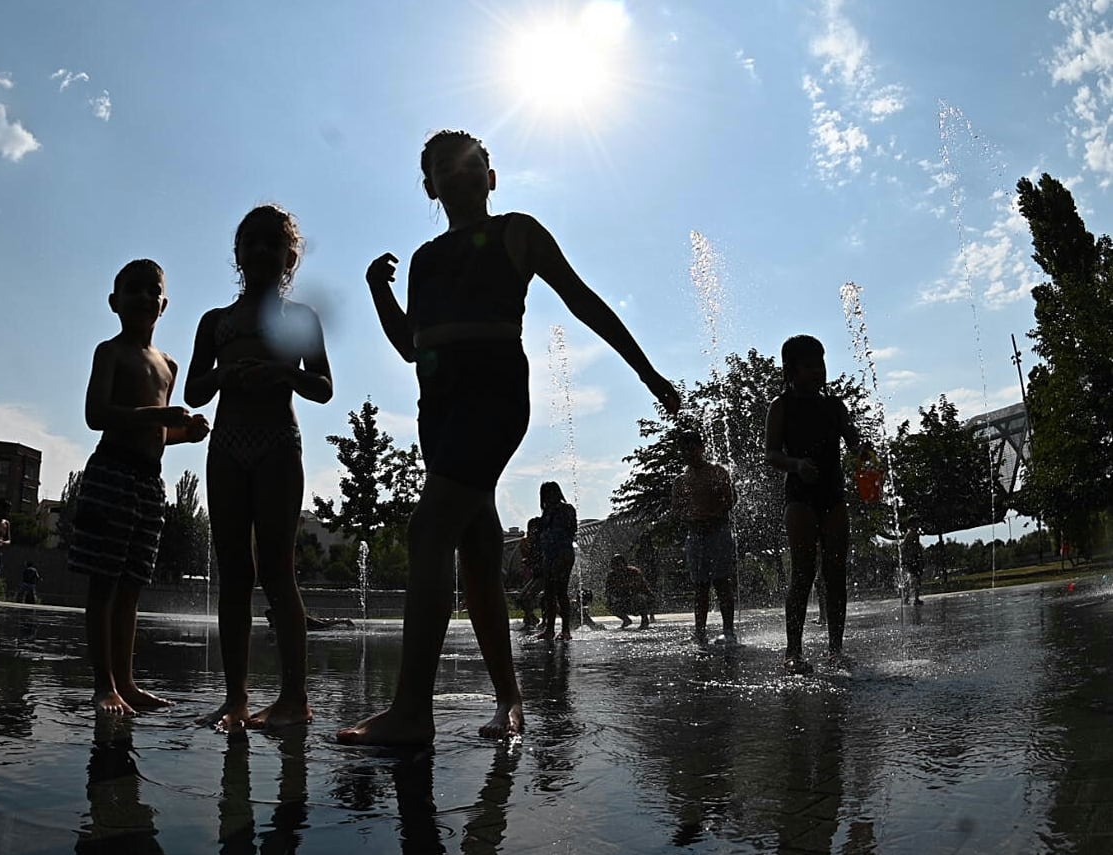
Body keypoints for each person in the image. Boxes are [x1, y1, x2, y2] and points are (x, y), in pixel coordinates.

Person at [339, 129, 681, 745]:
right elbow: (408, 345)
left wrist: (645, 369)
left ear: (491, 176)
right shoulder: (425, 259)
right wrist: (377, 292)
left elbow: (583, 301)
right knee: (475, 554)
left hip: (493, 397)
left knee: (429, 528)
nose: (461, 173)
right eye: (445, 167)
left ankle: (412, 711)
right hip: (437, 407)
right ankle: (511, 701)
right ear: (430, 186)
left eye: (473, 163)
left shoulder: (517, 233)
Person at [183, 205, 333, 732]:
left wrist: (280, 374)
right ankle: (236, 698)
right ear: (238, 253)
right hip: (226, 447)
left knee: (277, 571)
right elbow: (194, 389)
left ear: (290, 257)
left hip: (277, 447)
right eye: (253, 243)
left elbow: (322, 387)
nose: (263, 252)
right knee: (233, 574)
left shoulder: (300, 320)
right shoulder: (215, 323)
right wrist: (226, 373)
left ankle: (295, 697)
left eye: (275, 244)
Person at [69, 258, 209, 715]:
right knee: (104, 583)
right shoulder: (110, 352)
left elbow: (158, 432)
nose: (145, 297)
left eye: (154, 291)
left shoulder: (168, 363)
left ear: (164, 304)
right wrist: (159, 417)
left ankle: (126, 682)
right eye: (135, 290)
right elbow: (97, 415)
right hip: (112, 473)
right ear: (115, 302)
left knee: (132, 584)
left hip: (150, 483)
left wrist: (185, 432)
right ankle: (103, 682)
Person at [764, 334, 875, 673]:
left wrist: (864, 452)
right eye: (809, 365)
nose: (818, 371)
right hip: (799, 497)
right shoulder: (780, 406)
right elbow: (771, 453)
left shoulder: (834, 406)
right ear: (791, 369)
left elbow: (854, 441)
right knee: (803, 572)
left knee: (836, 572)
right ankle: (793, 652)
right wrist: (796, 464)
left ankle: (835, 650)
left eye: (821, 364)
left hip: (833, 495)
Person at [672, 430, 738, 645]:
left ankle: (728, 630)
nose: (688, 453)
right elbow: (677, 510)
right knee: (700, 586)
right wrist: (690, 517)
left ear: (702, 448)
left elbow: (730, 500)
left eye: (692, 448)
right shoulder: (681, 481)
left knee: (721, 582)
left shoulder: (717, 472)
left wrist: (712, 514)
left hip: (718, 532)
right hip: (696, 536)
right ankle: (700, 632)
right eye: (684, 450)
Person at [537, 481, 578, 641]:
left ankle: (566, 630)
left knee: (561, 591)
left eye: (550, 493)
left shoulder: (566, 509)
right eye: (545, 494)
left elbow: (571, 530)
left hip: (563, 553)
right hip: (549, 554)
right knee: (549, 593)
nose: (548, 497)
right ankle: (550, 629)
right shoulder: (547, 512)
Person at [604, 553, 655, 629]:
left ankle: (644, 619)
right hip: (624, 599)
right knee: (609, 604)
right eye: (615, 565)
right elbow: (608, 590)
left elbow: (639, 588)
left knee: (638, 598)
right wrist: (611, 598)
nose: (618, 567)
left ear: (624, 564)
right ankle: (626, 620)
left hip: (639, 597)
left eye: (619, 564)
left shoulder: (633, 572)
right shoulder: (612, 576)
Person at [515, 517, 543, 631]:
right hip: (535, 574)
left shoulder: (542, 541)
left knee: (528, 597)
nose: (534, 532)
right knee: (522, 598)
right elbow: (527, 557)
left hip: (544, 575)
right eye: (532, 529)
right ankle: (530, 618)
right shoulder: (528, 542)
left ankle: (532, 619)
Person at [901, 522, 924, 605]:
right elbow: (908, 547)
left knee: (913, 579)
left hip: (912, 559)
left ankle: (909, 598)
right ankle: (913, 599)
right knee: (915, 579)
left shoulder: (912, 533)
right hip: (912, 559)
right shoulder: (911, 534)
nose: (918, 525)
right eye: (917, 523)